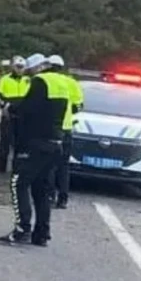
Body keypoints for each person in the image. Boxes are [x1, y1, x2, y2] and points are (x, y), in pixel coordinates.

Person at [0, 54, 67, 247]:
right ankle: (42, 234)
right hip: (56, 142)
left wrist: (11, 108)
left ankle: (22, 229)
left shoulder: (40, 82)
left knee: (18, 183)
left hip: (36, 143)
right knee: (42, 189)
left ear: (36, 68)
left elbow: (28, 109)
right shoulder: (62, 83)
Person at [45, 55, 82, 209]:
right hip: (67, 129)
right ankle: (63, 199)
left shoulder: (44, 79)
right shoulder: (71, 82)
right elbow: (78, 106)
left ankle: (50, 196)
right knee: (64, 166)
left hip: (50, 129)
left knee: (49, 165)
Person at [0, 56, 30, 173]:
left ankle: (17, 167)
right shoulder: (5, 79)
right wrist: (4, 105)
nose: (20, 70)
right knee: (5, 140)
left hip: (22, 116)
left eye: (22, 67)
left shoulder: (28, 80)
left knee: (20, 142)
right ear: (13, 67)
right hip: (8, 114)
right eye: (18, 67)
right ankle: (1, 165)